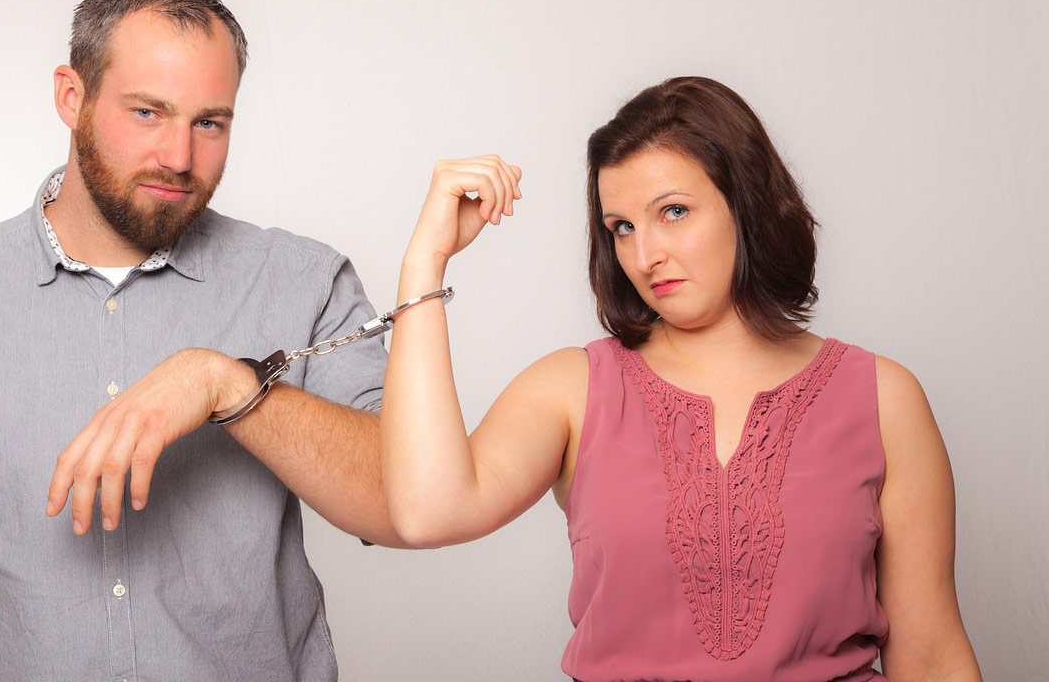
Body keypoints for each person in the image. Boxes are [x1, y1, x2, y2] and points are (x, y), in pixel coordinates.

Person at [0, 0, 406, 682]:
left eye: (209, 122)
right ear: (72, 96)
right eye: (148, 113)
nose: (180, 158)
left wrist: (226, 384)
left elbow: (399, 498)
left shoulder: (304, 281)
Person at [380, 77, 983, 680]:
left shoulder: (882, 397)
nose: (645, 256)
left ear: (745, 203)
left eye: (673, 211)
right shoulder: (573, 389)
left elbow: (931, 656)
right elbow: (428, 512)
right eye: (622, 227)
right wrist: (423, 262)